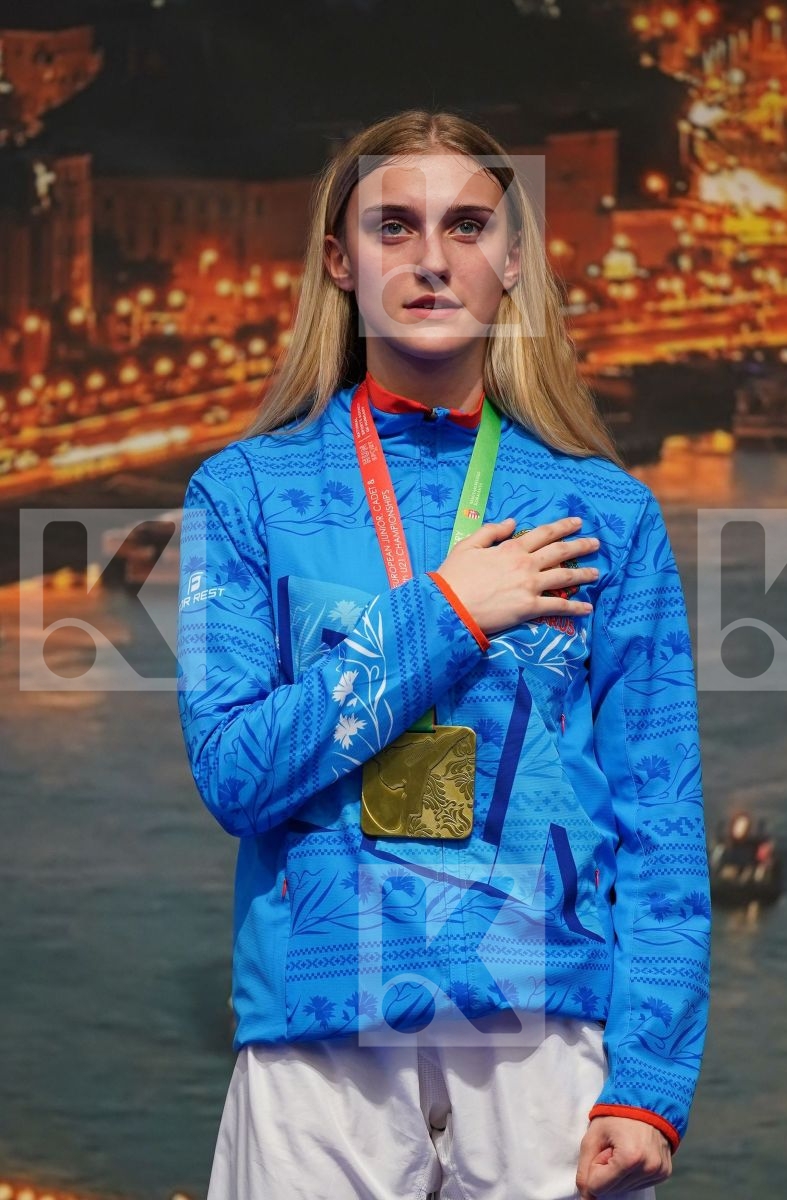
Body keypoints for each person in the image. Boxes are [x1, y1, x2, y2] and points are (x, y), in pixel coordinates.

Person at [175, 108, 711, 1200]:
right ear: (339, 260)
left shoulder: (607, 513)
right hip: (313, 1043)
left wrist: (651, 1078)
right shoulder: (244, 496)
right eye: (393, 226)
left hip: (546, 1041)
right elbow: (234, 771)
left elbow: (662, 821)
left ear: (514, 260)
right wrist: (454, 612)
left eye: (468, 225)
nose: (430, 257)